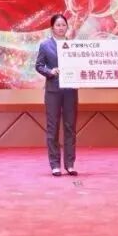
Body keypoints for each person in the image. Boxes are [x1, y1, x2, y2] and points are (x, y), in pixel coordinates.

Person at [35, 14, 78, 176]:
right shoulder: (45, 45)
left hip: (70, 91)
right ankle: (55, 164)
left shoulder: (73, 45)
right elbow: (39, 65)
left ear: (67, 27)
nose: (61, 28)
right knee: (53, 128)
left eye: (63, 25)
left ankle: (70, 164)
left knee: (70, 127)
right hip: (53, 90)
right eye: (58, 25)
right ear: (52, 27)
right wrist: (50, 71)